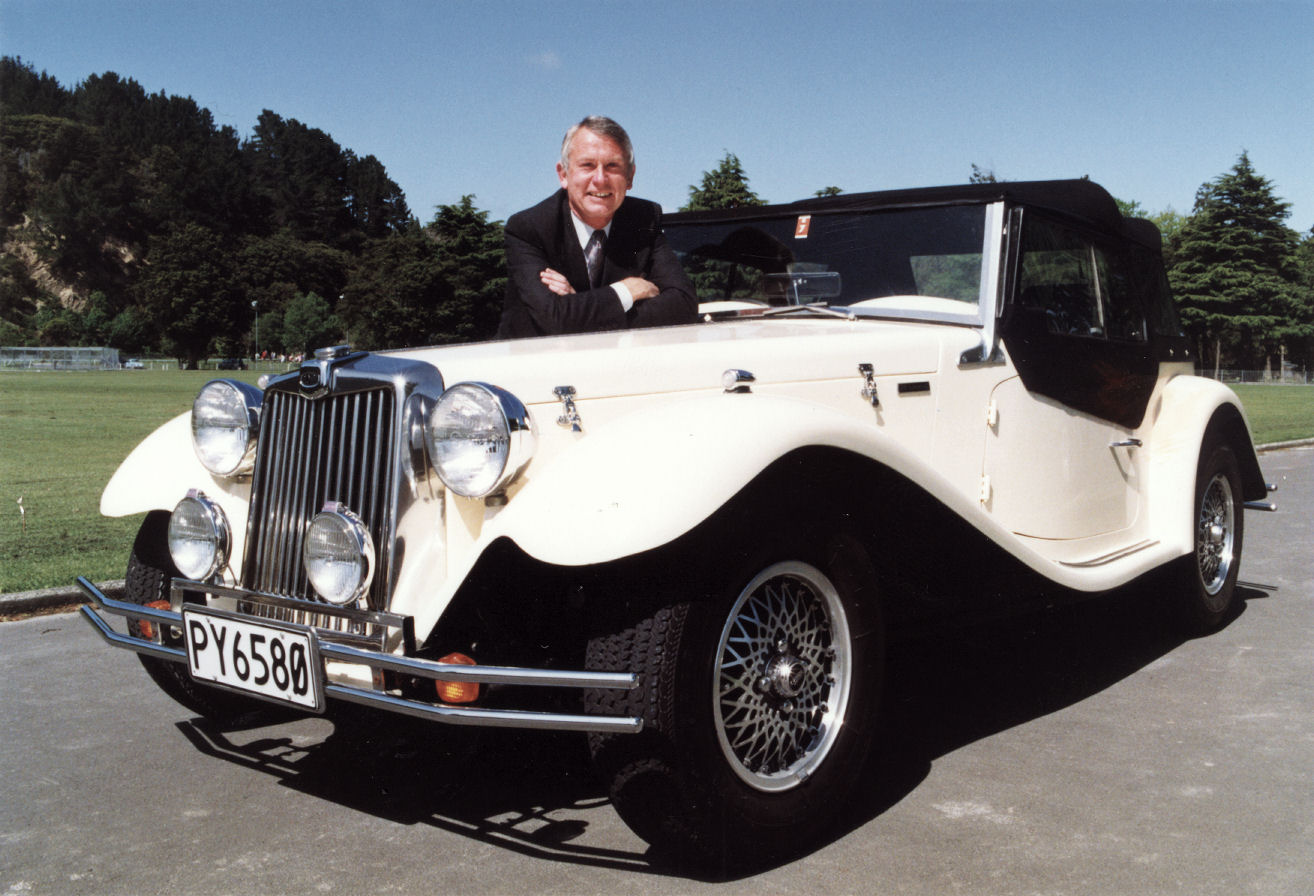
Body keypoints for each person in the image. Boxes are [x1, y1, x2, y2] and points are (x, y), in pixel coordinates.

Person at [497, 116, 697, 338]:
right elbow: (554, 319)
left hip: (617, 360)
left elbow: (684, 305)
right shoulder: (529, 228)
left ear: (630, 177)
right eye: (587, 165)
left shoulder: (644, 218)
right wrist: (626, 292)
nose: (600, 179)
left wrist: (580, 309)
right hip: (533, 364)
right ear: (563, 174)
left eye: (613, 166)